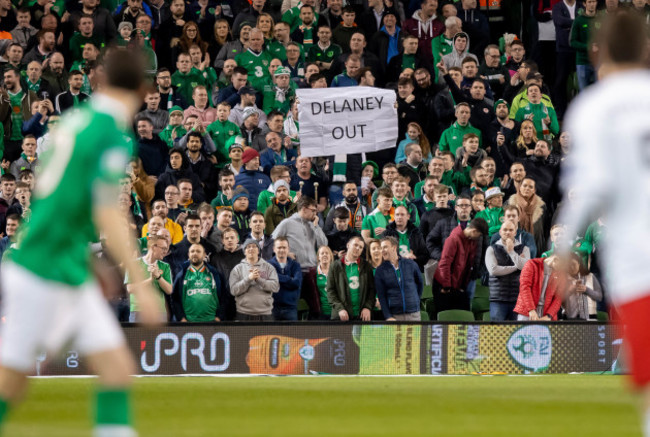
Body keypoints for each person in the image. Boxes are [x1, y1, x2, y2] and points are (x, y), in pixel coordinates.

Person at [0, 51, 162, 436]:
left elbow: (56, 196)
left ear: (99, 81)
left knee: (117, 371)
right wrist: (140, 281)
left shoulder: (74, 121)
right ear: (144, 89)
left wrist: (90, 263)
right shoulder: (110, 131)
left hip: (61, 261)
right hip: (45, 269)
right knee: (12, 382)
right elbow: (107, 212)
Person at [557, 13, 650, 428]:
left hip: (636, 265)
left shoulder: (594, 107)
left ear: (597, 52)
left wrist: (562, 252)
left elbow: (588, 190)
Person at [432, 217, 488, 317]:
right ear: (474, 231)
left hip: (457, 285)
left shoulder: (471, 241)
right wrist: (446, 286)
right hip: (444, 286)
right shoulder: (453, 239)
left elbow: (468, 265)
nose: (479, 238)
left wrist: (462, 286)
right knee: (446, 317)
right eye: (479, 235)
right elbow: (444, 263)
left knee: (462, 315)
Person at [485, 219, 530, 321]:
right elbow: (493, 270)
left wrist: (511, 252)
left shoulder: (524, 249)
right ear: (500, 232)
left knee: (516, 333)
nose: (508, 232)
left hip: (518, 299)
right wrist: (516, 266)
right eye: (505, 230)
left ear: (515, 232)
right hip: (498, 299)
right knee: (497, 332)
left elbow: (526, 268)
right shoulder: (491, 249)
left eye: (511, 230)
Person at [171, 243, 226, 322]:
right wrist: (181, 318)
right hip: (188, 322)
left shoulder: (214, 274)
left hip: (211, 321)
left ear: (204, 255)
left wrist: (219, 317)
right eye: (192, 251)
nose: (195, 253)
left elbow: (224, 297)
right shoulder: (181, 275)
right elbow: (175, 299)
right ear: (188, 255)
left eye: (198, 251)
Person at [326, 235, 376, 321]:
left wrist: (367, 307)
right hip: (340, 316)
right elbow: (330, 290)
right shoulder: (335, 266)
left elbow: (372, 290)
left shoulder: (366, 266)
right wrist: (340, 309)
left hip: (361, 316)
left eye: (360, 247)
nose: (358, 248)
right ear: (348, 245)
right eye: (355, 245)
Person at [229, 238, 280, 321]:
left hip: (265, 314)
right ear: (244, 252)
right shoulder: (237, 269)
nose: (251, 249)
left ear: (258, 251)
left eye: (254, 246)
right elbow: (234, 290)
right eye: (248, 247)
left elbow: (275, 287)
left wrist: (259, 280)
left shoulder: (269, 267)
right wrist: (249, 279)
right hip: (243, 313)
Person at [374, 236, 424, 321]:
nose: (382, 250)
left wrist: (414, 301)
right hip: (395, 316)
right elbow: (382, 297)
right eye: (381, 248)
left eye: (385, 247)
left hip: (414, 314)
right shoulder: (380, 271)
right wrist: (388, 316)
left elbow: (420, 284)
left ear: (394, 247)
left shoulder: (411, 264)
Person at [381, 204, 428, 269]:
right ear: (394, 216)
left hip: (412, 268)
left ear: (408, 216)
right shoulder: (386, 234)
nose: (399, 217)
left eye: (402, 214)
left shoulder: (416, 233)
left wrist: (414, 258)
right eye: (397, 214)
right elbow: (383, 255)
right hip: (393, 269)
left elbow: (425, 255)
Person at [269, 237, 303, 320]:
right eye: (279, 247)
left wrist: (276, 277)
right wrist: (289, 278)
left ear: (288, 249)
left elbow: (296, 283)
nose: (281, 250)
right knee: (272, 333)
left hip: (290, 308)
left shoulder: (295, 265)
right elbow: (268, 283)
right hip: (272, 308)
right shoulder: (268, 265)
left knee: (291, 333)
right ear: (274, 249)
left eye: (284, 247)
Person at [315, 245, 334, 319]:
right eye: (322, 253)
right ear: (318, 257)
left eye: (327, 253)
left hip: (336, 311)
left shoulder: (336, 272)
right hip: (321, 312)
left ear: (331, 256)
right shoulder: (314, 274)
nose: (324, 255)